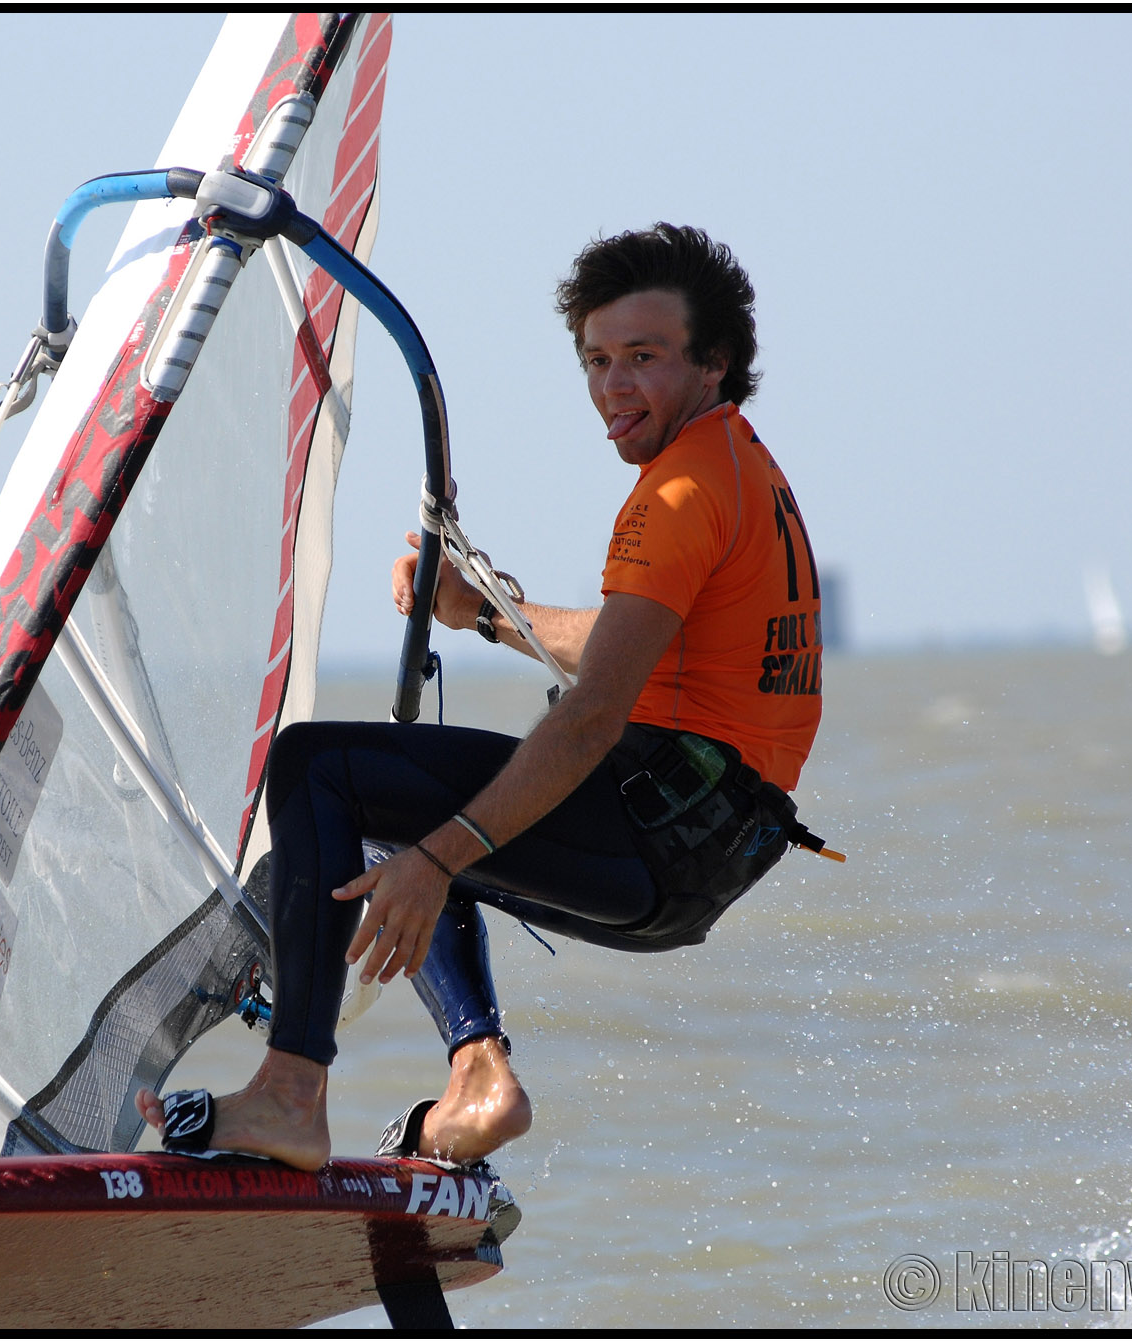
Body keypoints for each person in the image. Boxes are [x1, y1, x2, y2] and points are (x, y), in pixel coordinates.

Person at [138, 223, 827, 1172]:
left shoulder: (676, 496)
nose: (614, 386)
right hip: (703, 850)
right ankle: (479, 1079)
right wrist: (483, 613)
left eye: (644, 358)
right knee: (388, 799)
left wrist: (441, 856)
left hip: (656, 830)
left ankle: (290, 1094)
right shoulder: (740, 469)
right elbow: (631, 649)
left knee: (317, 770)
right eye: (596, 360)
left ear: (714, 363)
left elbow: (590, 720)